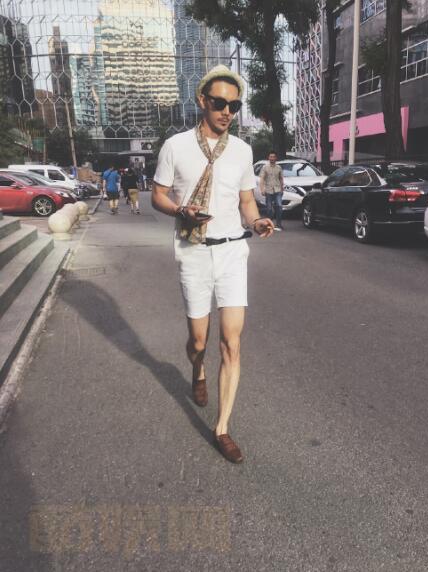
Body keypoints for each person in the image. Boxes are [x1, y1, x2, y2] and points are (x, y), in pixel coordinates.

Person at [152, 65, 274, 464]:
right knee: (199, 342)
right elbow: (158, 195)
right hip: (193, 250)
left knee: (232, 343)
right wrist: (179, 211)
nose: (226, 112)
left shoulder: (242, 150)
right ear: (203, 101)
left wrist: (256, 221)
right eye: (220, 103)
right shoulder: (175, 146)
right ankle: (198, 368)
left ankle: (222, 428)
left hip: (233, 252)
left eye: (234, 106)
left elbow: (246, 201)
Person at [260, 151, 284, 231]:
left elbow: (281, 178)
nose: (272, 158)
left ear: (276, 158)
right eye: (271, 157)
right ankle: (269, 224)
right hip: (268, 190)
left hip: (277, 190)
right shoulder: (265, 167)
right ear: (268, 158)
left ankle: (279, 224)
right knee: (269, 208)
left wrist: (282, 188)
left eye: (273, 157)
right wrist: (262, 189)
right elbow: (262, 179)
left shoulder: (279, 168)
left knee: (279, 206)